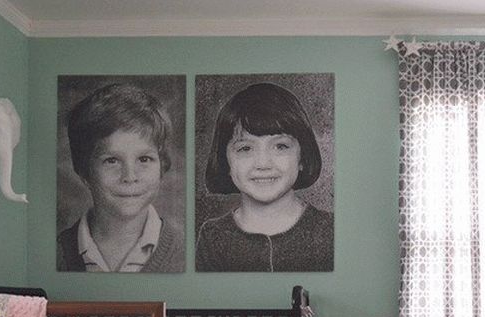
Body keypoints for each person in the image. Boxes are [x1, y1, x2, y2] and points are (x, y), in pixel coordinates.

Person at [196, 82, 333, 272]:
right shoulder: (213, 238)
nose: (263, 164)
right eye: (245, 148)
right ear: (225, 161)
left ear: (303, 157)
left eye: (280, 146)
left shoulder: (330, 232)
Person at [58, 83, 181, 272]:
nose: (130, 177)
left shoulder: (183, 253)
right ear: (84, 172)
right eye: (112, 161)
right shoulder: (59, 253)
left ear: (162, 165)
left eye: (144, 159)